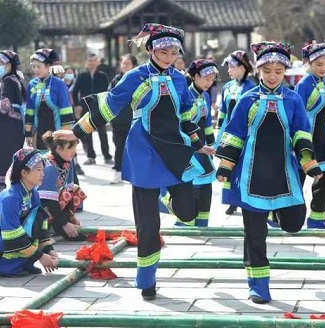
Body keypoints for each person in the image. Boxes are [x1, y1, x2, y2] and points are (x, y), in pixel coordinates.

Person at [53, 23, 215, 301]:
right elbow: (109, 106)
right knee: (148, 226)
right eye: (163, 49)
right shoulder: (134, 77)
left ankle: (167, 197)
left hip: (176, 149)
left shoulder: (179, 79)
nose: (168, 54)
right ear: (151, 48)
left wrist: (199, 144)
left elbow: (187, 116)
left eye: (173, 50)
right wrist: (76, 132)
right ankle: (147, 279)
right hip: (144, 151)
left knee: (188, 213)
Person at [215, 41, 322, 304]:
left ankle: (274, 211)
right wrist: (226, 166)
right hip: (251, 173)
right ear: (259, 70)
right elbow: (235, 133)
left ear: (285, 71)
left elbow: (301, 132)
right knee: (255, 234)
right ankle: (258, 285)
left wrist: (309, 163)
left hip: (283, 171)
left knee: (295, 222)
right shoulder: (247, 99)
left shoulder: (293, 99)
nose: (273, 76)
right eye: (267, 70)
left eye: (278, 71)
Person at [164, 59, 218, 227]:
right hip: (189, 150)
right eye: (206, 79)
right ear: (195, 76)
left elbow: (207, 123)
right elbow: (181, 124)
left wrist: (213, 144)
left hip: (204, 150)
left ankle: (202, 225)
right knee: (191, 190)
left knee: (206, 190)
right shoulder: (184, 96)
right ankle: (185, 223)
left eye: (212, 79)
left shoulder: (206, 96)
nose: (209, 83)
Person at [0, 148, 58, 276]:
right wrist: (40, 256)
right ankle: (7, 266)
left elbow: (41, 222)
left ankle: (25, 263)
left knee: (37, 218)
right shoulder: (10, 197)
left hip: (2, 238)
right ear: (24, 172)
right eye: (38, 170)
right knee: (20, 231)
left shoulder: (33, 194)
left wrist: (48, 250)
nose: (42, 174)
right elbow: (11, 234)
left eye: (42, 169)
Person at [295, 43, 325, 229]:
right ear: (310, 63)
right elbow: (296, 113)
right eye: (319, 64)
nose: (323, 68)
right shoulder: (303, 84)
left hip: (323, 138)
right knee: (298, 178)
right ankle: (282, 215)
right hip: (305, 138)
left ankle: (317, 217)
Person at [217, 50, 256, 215]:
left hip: (245, 134)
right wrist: (219, 130)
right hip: (228, 133)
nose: (228, 70)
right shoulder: (227, 86)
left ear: (242, 67)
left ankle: (243, 197)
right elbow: (223, 110)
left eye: (232, 66)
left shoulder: (251, 88)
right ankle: (230, 199)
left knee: (241, 166)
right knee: (227, 165)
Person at [38, 131, 86, 241]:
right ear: (59, 149)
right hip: (36, 203)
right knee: (50, 202)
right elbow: (50, 201)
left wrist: (70, 217)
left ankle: (58, 225)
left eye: (74, 148)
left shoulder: (67, 163)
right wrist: (64, 224)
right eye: (70, 148)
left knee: (74, 190)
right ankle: (46, 229)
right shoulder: (49, 168)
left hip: (52, 200)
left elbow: (68, 192)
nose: (74, 152)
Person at [25, 48, 75, 152]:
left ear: (48, 66)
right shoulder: (31, 85)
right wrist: (28, 133)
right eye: (33, 67)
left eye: (39, 66)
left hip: (57, 133)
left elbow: (66, 111)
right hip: (38, 134)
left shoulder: (59, 85)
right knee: (40, 163)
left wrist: (66, 135)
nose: (35, 70)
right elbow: (29, 110)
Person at [0, 51, 26, 197]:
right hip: (15, 130)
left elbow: (4, 108)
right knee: (12, 165)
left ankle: (1, 202)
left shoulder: (7, 82)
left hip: (6, 130)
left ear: (8, 65)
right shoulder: (16, 80)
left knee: (1, 164)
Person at [71, 53, 113, 165]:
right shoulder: (82, 75)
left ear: (98, 62)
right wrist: (77, 105)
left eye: (94, 60)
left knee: (102, 133)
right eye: (90, 60)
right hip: (86, 107)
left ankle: (107, 156)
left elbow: (107, 92)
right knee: (87, 132)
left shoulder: (103, 76)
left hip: (100, 107)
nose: (92, 63)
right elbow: (75, 91)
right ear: (87, 62)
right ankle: (91, 156)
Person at [109, 54, 138, 184]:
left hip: (134, 120)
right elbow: (109, 99)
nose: (124, 66)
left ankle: (134, 172)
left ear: (134, 66)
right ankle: (118, 171)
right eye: (123, 63)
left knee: (134, 147)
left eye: (127, 63)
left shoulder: (139, 80)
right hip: (119, 120)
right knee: (119, 146)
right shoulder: (116, 80)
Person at [62, 66, 85, 177]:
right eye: (68, 72)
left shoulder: (75, 84)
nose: (70, 74)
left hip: (72, 115)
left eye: (71, 72)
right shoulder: (60, 85)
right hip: (61, 117)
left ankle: (75, 163)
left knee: (73, 140)